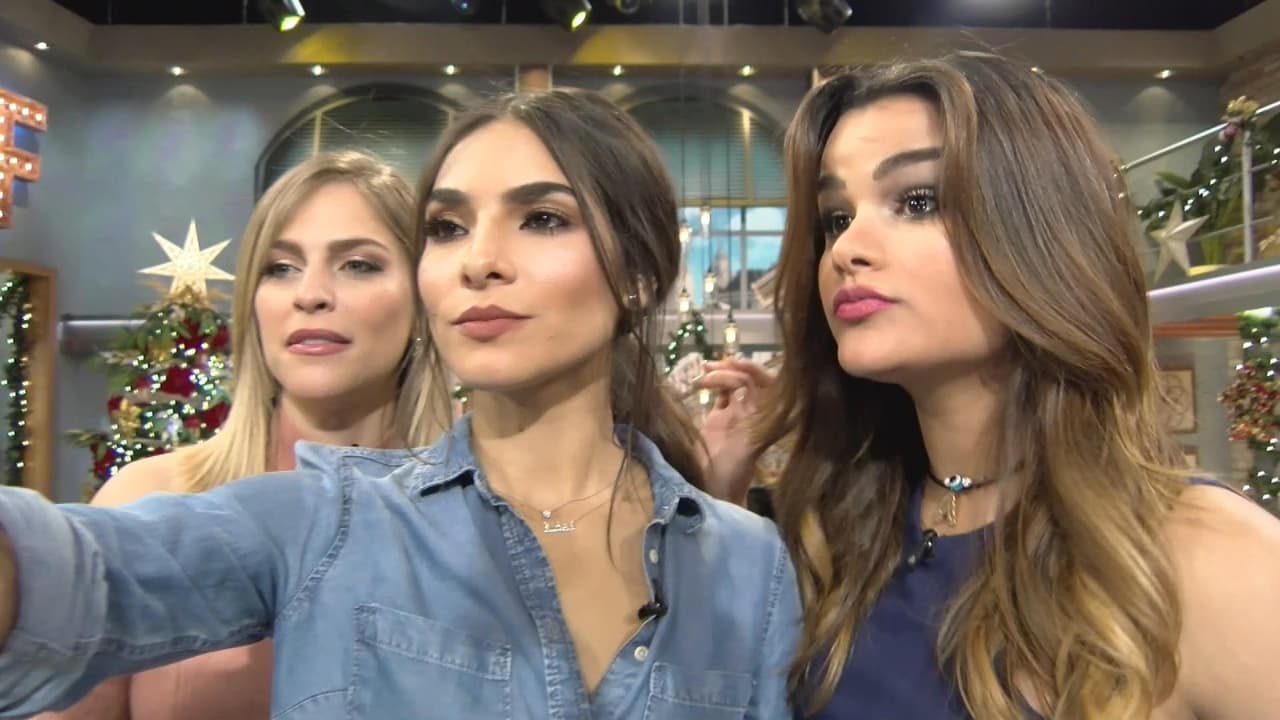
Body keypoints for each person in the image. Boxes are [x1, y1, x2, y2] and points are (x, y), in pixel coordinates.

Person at [0, 88, 800, 720]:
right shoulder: (326, 518)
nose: (478, 261)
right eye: (447, 228)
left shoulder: (749, 563)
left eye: (542, 218)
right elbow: (78, 576)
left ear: (640, 275)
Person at [702, 53, 1280, 718]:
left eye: (917, 202)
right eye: (835, 217)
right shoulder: (834, 539)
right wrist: (719, 499)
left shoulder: (1211, 562)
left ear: (1042, 233)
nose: (846, 250)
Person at [35, 150, 446, 720]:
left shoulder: (475, 520)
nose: (310, 294)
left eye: (358, 265)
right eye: (281, 268)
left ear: (423, 300)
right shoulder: (150, 498)